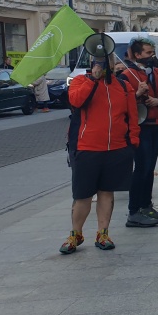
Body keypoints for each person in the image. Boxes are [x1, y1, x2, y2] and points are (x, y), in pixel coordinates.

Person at [60, 54, 139, 254]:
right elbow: (76, 101)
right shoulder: (81, 81)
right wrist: (94, 80)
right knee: (82, 195)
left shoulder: (123, 86)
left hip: (117, 148)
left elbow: (132, 116)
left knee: (106, 192)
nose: (103, 64)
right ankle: (75, 234)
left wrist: (133, 143)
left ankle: (102, 233)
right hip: (87, 148)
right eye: (98, 60)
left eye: (107, 61)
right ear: (92, 62)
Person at [122, 37, 158, 228]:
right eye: (148, 53)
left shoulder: (156, 72)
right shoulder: (127, 75)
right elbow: (121, 104)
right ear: (137, 54)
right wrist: (136, 95)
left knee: (150, 168)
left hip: (154, 124)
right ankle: (134, 211)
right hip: (139, 126)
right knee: (141, 168)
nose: (152, 56)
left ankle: (146, 205)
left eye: (152, 52)